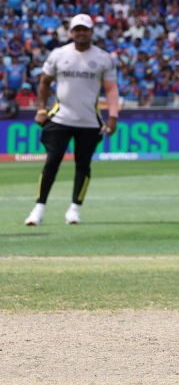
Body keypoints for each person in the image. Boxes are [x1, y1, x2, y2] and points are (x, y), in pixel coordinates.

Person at [24, 14, 120, 228]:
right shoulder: (59, 54)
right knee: (52, 161)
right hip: (60, 117)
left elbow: (111, 89)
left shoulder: (104, 58)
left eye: (84, 29)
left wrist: (113, 117)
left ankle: (75, 208)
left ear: (91, 32)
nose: (81, 33)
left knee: (83, 165)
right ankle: (38, 208)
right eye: (77, 29)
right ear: (71, 32)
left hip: (89, 120)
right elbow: (44, 81)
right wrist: (41, 108)